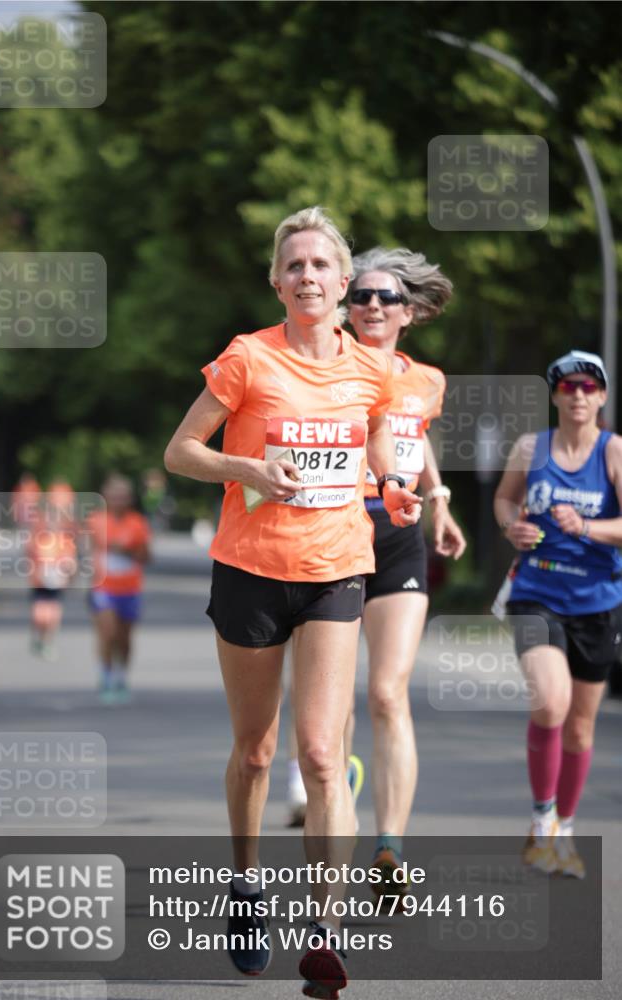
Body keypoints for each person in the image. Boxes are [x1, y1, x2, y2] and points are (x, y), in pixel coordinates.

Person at [164, 207, 421, 998]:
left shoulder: (371, 368)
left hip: (337, 568)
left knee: (320, 754)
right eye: (294, 265)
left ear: (343, 284)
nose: (308, 276)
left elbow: (374, 435)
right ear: (277, 282)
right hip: (249, 570)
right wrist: (245, 469)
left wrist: (391, 484)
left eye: (320, 266)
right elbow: (180, 452)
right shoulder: (247, 358)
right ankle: (246, 886)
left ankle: (324, 933)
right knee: (256, 751)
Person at [344, 246, 466, 905]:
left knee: (388, 694)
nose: (371, 305)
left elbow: (412, 437)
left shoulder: (426, 380)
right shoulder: (327, 366)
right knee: (333, 699)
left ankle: (388, 845)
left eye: (385, 296)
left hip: (398, 536)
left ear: (408, 312)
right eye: (360, 295)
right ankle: (332, 793)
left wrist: (439, 500)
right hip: (335, 533)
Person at [494, 350, 622, 879]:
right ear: (555, 396)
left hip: (597, 601)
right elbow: (505, 501)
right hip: (536, 592)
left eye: (588, 386)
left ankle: (563, 830)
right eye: (567, 387)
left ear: (602, 395)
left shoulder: (614, 452)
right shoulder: (532, 447)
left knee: (580, 728)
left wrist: (587, 528)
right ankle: (542, 818)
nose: (578, 395)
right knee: (551, 702)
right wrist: (512, 527)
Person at [87, 475, 151, 703]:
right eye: (114, 496)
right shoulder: (95, 521)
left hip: (130, 589)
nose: (118, 500)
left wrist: (125, 551)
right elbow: (85, 552)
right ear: (105, 497)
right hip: (103, 588)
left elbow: (146, 557)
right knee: (108, 632)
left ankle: (121, 676)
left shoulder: (137, 523)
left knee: (124, 638)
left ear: (129, 499)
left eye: (122, 496)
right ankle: (105, 676)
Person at [27, 480, 78, 660]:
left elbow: (70, 561)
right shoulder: (38, 535)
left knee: (53, 613)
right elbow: (30, 553)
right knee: (39, 614)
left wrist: (70, 574)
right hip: (39, 581)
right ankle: (39, 636)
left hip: (56, 582)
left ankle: (48, 641)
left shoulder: (65, 539)